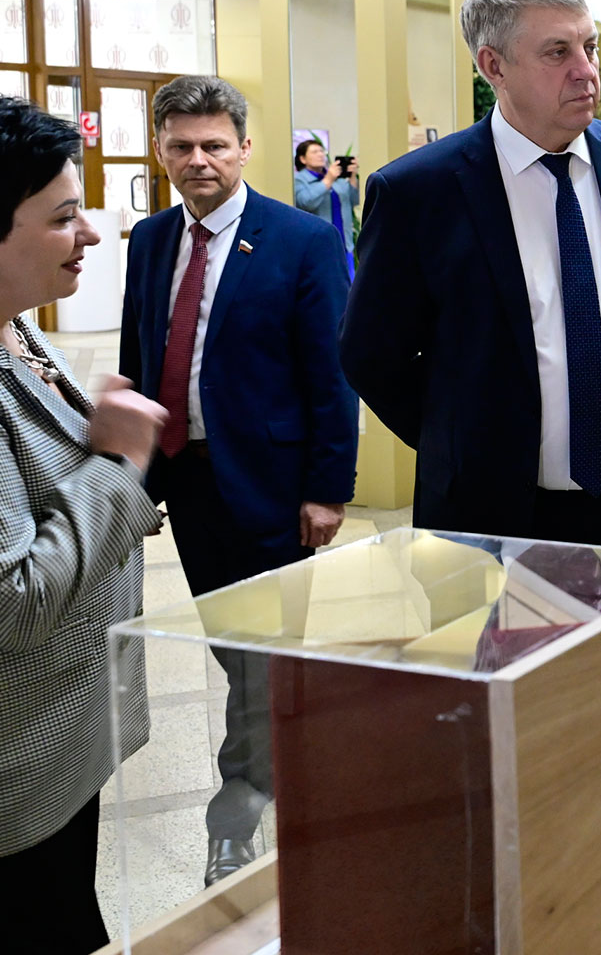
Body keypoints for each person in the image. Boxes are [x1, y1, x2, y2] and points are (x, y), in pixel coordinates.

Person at [341, 0, 601, 550]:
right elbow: (371, 353)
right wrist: (460, 441)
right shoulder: (419, 193)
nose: (586, 71)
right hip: (490, 513)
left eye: (589, 46)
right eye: (558, 52)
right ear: (494, 66)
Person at [119, 75, 358, 886]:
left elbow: (332, 375)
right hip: (188, 484)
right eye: (182, 146)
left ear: (246, 148)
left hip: (274, 489)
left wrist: (327, 488)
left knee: (259, 659)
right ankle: (290, 753)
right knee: (239, 651)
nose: (199, 160)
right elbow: (139, 357)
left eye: (215, 145)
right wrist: (132, 476)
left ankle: (236, 815)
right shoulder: (152, 241)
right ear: (161, 151)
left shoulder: (300, 240)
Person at [0, 99, 166, 954]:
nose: (91, 234)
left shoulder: (20, 332)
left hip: (61, 748)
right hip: (16, 777)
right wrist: (117, 463)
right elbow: (16, 599)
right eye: (65, 217)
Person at [292, 138, 357, 269]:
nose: (320, 154)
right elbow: (306, 203)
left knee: (349, 280)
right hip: (318, 246)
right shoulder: (298, 179)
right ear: (303, 159)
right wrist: (328, 180)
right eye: (315, 152)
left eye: (322, 151)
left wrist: (353, 177)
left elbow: (354, 201)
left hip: (345, 244)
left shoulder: (336, 177)